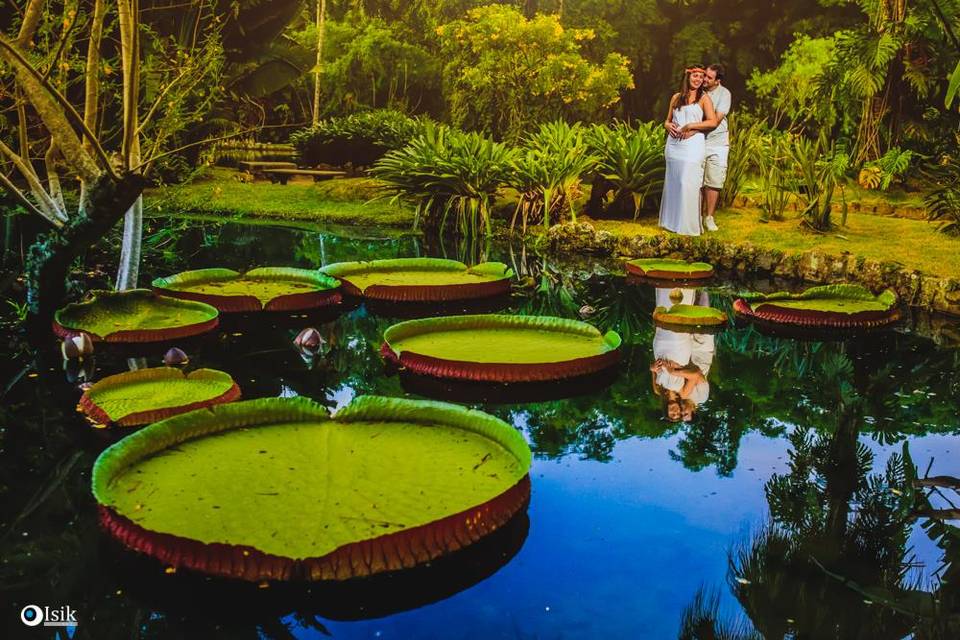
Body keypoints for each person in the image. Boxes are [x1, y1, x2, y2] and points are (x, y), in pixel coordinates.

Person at [659, 66, 719, 236]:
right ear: (688, 76)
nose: (698, 79)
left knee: (688, 183)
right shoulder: (676, 97)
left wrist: (691, 125)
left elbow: (712, 122)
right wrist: (667, 125)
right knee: (675, 183)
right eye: (695, 75)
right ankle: (672, 223)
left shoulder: (704, 98)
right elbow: (667, 120)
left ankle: (688, 226)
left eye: (701, 76)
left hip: (693, 145)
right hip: (674, 145)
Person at [650, 287, 715, 422]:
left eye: (679, 414)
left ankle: (675, 286)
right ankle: (701, 285)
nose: (680, 412)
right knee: (703, 314)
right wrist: (674, 371)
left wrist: (653, 369)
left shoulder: (664, 392)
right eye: (684, 414)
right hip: (700, 352)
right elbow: (697, 374)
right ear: (694, 411)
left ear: (666, 412)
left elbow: (654, 371)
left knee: (681, 316)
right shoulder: (694, 396)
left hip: (675, 351)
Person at [701, 64, 732, 232]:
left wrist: (692, 128)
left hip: (718, 143)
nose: (705, 79)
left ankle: (709, 217)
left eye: (709, 78)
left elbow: (716, 121)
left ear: (717, 81)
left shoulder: (724, 94)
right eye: (705, 75)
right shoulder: (699, 91)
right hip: (698, 141)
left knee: (714, 181)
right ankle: (697, 217)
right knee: (698, 181)